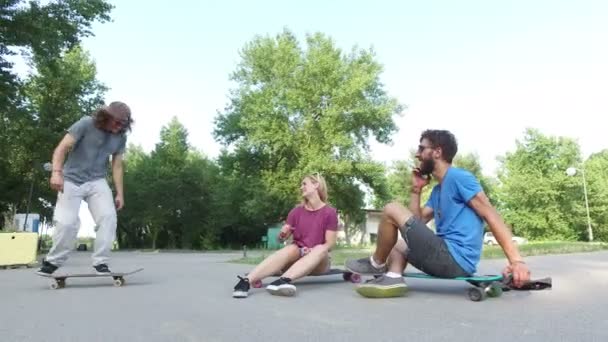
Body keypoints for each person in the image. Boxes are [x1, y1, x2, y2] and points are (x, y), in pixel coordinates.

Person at [345, 129, 531, 298]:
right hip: (444, 258)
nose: (417, 154)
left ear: (437, 152)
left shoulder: (459, 177)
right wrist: (416, 191)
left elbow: (491, 215)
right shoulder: (437, 191)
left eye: (422, 148)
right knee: (399, 244)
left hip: (453, 257)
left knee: (392, 208)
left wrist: (516, 261)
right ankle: (393, 277)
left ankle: (376, 263)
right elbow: (416, 224)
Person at [36, 102, 133, 276]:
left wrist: (120, 193)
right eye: (116, 123)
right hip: (71, 179)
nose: (118, 128)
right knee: (66, 223)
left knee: (109, 217)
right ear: (106, 117)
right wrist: (56, 173)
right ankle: (52, 261)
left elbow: (117, 166)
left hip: (97, 180)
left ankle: (101, 262)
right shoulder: (86, 123)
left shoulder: (121, 136)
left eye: (123, 125)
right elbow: (61, 148)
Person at [232, 173, 339, 298]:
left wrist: (312, 250)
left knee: (321, 248)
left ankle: (282, 281)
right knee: (292, 248)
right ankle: (245, 281)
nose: (301, 187)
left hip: (319, 262)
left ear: (316, 185)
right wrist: (283, 234)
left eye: (304, 184)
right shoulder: (296, 212)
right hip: (296, 258)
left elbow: (330, 244)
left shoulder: (329, 213)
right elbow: (280, 239)